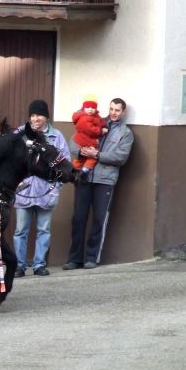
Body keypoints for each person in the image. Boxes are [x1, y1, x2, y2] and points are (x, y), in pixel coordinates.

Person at [63, 98, 134, 270]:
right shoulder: (95, 121)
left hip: (105, 180)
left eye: (117, 110)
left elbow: (120, 157)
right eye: (111, 109)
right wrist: (81, 151)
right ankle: (74, 259)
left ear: (123, 112)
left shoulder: (125, 133)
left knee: (98, 220)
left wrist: (97, 155)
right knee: (78, 218)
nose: (113, 113)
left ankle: (92, 258)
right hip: (84, 177)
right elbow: (73, 143)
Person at [13, 100, 70, 277]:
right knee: (20, 230)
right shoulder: (20, 134)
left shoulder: (56, 136)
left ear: (46, 117)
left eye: (39, 115)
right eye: (32, 115)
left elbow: (65, 163)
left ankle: (39, 264)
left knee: (43, 230)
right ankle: (19, 265)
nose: (35, 119)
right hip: (24, 190)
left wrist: (56, 186)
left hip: (46, 191)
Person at [71, 98, 107, 180]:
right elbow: (89, 129)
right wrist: (100, 131)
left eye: (93, 108)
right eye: (88, 107)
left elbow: (101, 122)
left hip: (88, 140)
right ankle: (78, 170)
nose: (90, 109)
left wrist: (104, 126)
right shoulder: (83, 118)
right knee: (88, 157)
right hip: (84, 140)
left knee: (85, 157)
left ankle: (81, 170)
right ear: (83, 108)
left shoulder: (96, 116)